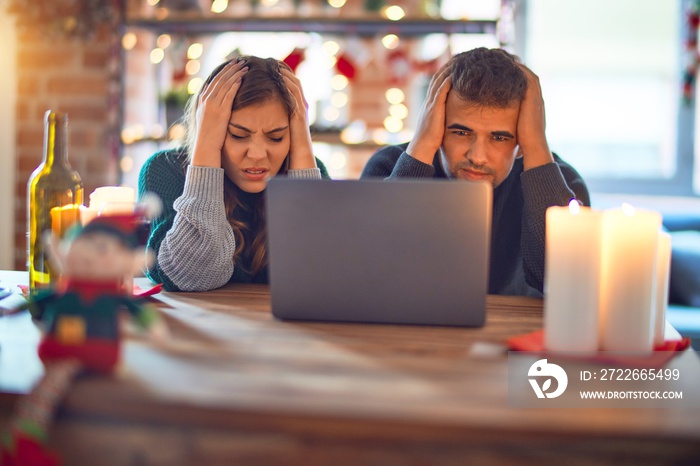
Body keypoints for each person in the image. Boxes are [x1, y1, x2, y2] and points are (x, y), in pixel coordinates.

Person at [361, 47, 589, 296]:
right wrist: (423, 145)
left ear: (522, 139)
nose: (477, 157)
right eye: (461, 132)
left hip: (514, 333)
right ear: (434, 123)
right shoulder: (389, 166)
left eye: (500, 137)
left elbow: (566, 282)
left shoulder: (563, 182)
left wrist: (536, 145)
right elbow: (371, 268)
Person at [139, 56, 329, 291]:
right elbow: (192, 275)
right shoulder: (165, 169)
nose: (258, 154)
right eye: (238, 135)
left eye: (277, 136)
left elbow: (319, 274)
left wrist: (302, 144)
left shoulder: (306, 170)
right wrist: (206, 149)